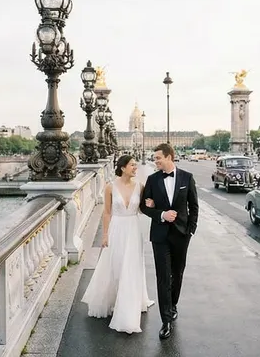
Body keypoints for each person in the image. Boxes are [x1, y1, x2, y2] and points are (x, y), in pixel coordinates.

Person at [81, 154, 154, 334]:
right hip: (117, 228)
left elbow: (144, 209)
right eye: (132, 165)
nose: (135, 168)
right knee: (116, 265)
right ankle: (114, 298)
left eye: (136, 165)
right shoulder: (110, 187)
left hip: (133, 229)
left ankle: (128, 306)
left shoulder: (141, 186)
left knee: (131, 267)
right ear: (122, 168)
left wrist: (151, 205)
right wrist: (105, 234)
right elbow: (106, 213)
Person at [140, 143, 199, 341]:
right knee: (163, 276)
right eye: (154, 158)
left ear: (169, 157)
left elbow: (194, 206)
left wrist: (190, 229)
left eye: (158, 158)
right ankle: (166, 320)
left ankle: (173, 305)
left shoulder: (187, 178)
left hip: (182, 234)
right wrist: (162, 214)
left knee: (178, 272)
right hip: (160, 236)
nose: (155, 161)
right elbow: (144, 207)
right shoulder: (152, 180)